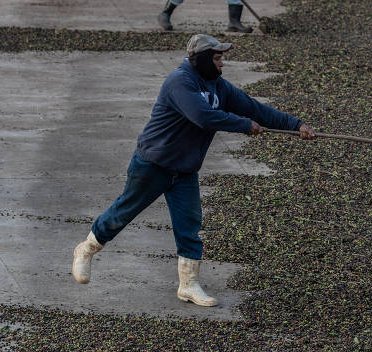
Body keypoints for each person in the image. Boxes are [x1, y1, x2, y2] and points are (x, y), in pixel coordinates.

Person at [72, 34, 316, 306]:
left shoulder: (219, 87)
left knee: (189, 227)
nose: (222, 64)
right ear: (201, 59)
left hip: (185, 171)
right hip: (153, 165)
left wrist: (296, 125)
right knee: (123, 213)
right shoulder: (179, 82)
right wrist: (244, 125)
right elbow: (203, 116)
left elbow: (253, 108)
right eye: (217, 58)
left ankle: (188, 285)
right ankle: (87, 248)